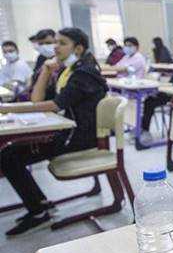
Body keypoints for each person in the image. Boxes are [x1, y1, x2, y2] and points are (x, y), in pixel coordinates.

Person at [0, 28, 108, 236]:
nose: (55, 47)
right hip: (67, 132)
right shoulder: (68, 71)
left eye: (62, 43)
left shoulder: (85, 73)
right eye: (55, 42)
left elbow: (55, 105)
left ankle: (39, 210)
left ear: (78, 48)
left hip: (79, 138)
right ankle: (40, 206)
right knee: (9, 153)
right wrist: (46, 71)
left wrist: (8, 108)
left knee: (8, 155)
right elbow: (38, 100)